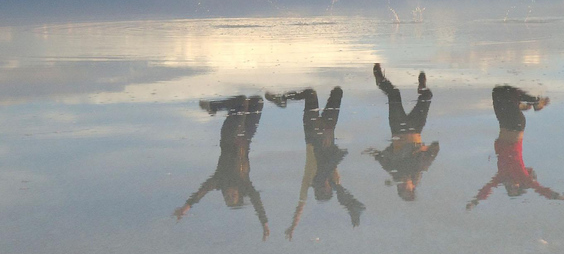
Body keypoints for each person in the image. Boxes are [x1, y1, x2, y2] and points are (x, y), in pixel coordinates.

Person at [264, 87, 364, 240]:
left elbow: (300, 205)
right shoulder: (334, 178)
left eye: (319, 191)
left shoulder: (309, 179)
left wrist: (293, 227)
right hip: (328, 130)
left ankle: (282, 99)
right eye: (326, 190)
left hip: (312, 133)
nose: (323, 187)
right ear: (330, 188)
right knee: (338, 91)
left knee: (311, 94)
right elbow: (343, 195)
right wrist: (352, 211)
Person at [174, 96, 270, 241]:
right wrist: (264, 223)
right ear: (239, 194)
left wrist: (186, 206)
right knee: (257, 101)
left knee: (242, 101)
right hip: (246, 136)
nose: (229, 195)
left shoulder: (219, 180)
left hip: (229, 135)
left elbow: (202, 192)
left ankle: (214, 107)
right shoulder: (244, 183)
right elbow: (256, 201)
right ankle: (221, 107)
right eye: (233, 197)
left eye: (227, 198)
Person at [466, 86, 564, 209]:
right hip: (516, 125)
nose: (513, 186)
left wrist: (475, 201)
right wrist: (557, 197)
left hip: (503, 124)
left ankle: (527, 104)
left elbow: (488, 188)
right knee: (509, 95)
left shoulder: (501, 176)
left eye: (510, 189)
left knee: (497, 93)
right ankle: (533, 103)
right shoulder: (523, 176)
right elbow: (540, 189)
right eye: (516, 188)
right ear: (520, 186)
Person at [367, 64, 440, 201]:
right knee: (427, 95)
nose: (403, 186)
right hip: (416, 129)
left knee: (394, 94)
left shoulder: (395, 171)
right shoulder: (420, 168)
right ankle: (422, 88)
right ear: (413, 186)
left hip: (398, 129)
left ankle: (380, 80)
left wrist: (372, 152)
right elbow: (436, 147)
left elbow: (381, 157)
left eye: (401, 189)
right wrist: (423, 149)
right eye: (407, 189)